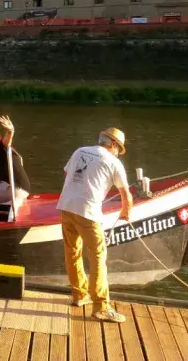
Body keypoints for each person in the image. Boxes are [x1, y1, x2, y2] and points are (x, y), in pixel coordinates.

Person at [57, 128, 133, 323]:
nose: (118, 152)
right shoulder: (114, 162)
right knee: (98, 256)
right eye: (119, 148)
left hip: (66, 206)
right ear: (114, 145)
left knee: (72, 252)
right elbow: (126, 195)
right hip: (88, 213)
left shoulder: (79, 151)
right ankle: (100, 306)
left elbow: (68, 176)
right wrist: (126, 212)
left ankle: (79, 295)